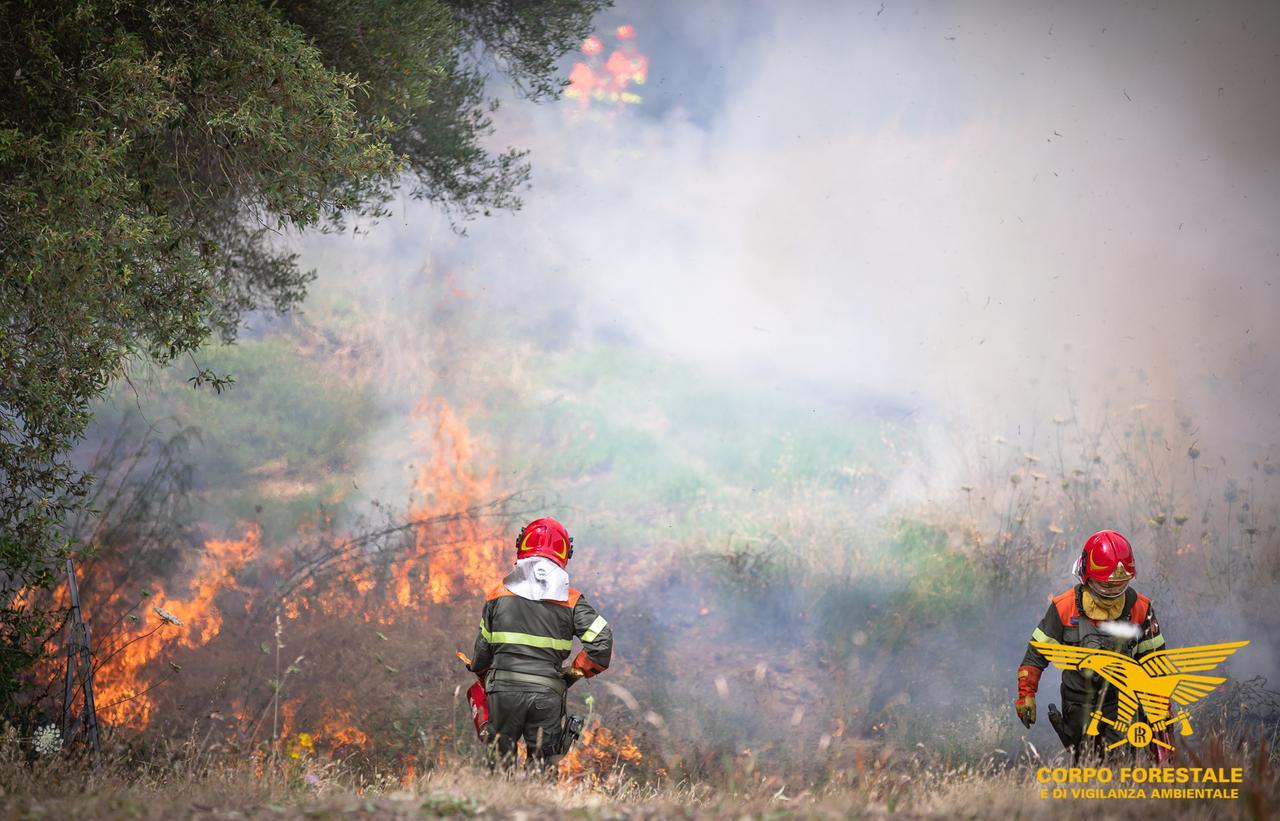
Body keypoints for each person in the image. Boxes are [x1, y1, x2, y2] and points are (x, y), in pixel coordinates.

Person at [468, 517, 613, 767]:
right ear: (564, 553)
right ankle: (539, 805)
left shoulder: (496, 596)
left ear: (522, 546)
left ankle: (500, 804)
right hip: (547, 696)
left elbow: (482, 654)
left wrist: (483, 676)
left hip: (503, 693)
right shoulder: (572, 601)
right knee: (543, 767)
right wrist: (571, 674)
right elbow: (602, 643)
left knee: (500, 765)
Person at [1015, 530, 1167, 760]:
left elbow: (1157, 668)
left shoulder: (1140, 609)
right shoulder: (1064, 608)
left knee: (1119, 764)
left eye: (1120, 585)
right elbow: (1036, 655)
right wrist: (1026, 693)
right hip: (1077, 704)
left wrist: (1161, 720)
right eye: (1106, 585)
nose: (1113, 591)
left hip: (1121, 702)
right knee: (1085, 762)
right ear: (1086, 577)